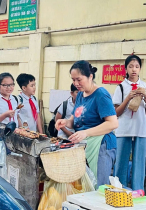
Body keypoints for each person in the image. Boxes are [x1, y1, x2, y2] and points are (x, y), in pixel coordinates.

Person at [55, 60, 118, 188]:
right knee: (83, 186)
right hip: (84, 145)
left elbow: (113, 123)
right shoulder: (80, 96)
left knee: (97, 186)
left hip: (101, 146)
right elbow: (74, 121)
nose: (76, 83)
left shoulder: (101, 94)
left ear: (90, 76)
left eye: (79, 79)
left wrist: (86, 133)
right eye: (73, 80)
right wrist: (65, 122)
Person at [113, 54, 146, 191]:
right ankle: (120, 190)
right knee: (121, 162)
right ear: (126, 69)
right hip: (124, 128)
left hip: (141, 129)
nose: (134, 70)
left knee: (139, 163)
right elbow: (116, 113)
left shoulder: (145, 86)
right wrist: (128, 98)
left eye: (137, 66)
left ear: (140, 69)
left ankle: (138, 191)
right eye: (130, 66)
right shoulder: (121, 87)